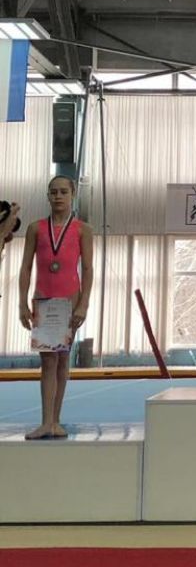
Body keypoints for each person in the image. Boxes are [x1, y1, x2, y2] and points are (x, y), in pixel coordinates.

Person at [18, 176, 93, 440]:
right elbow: (26, 267)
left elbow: (87, 269)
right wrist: (22, 303)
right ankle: (46, 422)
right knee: (47, 361)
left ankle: (56, 421)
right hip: (44, 300)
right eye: (53, 192)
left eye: (63, 192)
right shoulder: (35, 229)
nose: (58, 196)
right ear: (47, 196)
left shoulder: (82, 230)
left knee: (62, 359)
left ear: (73, 194)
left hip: (69, 301)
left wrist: (83, 304)